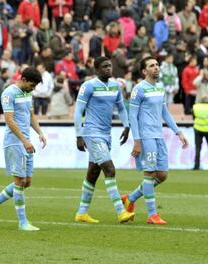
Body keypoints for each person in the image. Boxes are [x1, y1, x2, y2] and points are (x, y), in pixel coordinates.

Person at [123, 56, 189, 225]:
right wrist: (137, 140)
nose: (156, 67)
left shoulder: (160, 87)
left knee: (162, 175)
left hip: (158, 135)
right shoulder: (139, 89)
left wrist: (178, 132)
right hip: (146, 137)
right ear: (144, 71)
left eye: (157, 65)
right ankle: (152, 214)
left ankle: (130, 198)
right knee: (150, 173)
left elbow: (164, 112)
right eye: (152, 65)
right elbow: (133, 116)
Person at [0, 66, 45, 231]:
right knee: (19, 181)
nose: (33, 89)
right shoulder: (8, 93)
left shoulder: (27, 93)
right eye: (32, 85)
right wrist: (24, 140)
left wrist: (39, 132)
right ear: (23, 79)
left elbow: (31, 116)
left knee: (27, 182)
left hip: (26, 141)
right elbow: (9, 120)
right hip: (15, 141)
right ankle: (22, 222)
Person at [73, 56, 134, 224]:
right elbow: (78, 111)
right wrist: (79, 135)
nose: (109, 69)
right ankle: (121, 212)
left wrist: (127, 126)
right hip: (92, 133)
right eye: (105, 66)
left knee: (93, 174)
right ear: (96, 70)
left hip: (106, 134)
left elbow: (121, 107)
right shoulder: (89, 86)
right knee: (110, 169)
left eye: (110, 66)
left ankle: (82, 213)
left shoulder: (115, 86)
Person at [192, 97, 208, 170]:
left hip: (198, 129)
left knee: (198, 148)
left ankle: (196, 165)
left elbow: (193, 117)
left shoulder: (196, 107)